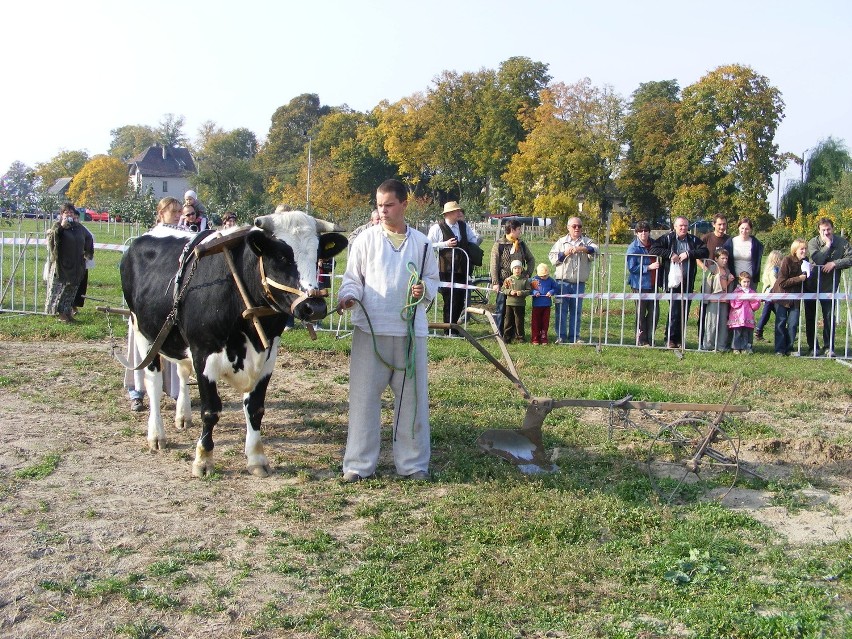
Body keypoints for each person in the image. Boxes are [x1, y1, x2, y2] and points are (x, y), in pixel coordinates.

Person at [336, 179, 439, 482]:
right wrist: (348, 295)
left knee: (412, 402)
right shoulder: (365, 240)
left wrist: (425, 289)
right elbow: (352, 278)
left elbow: (433, 279)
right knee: (364, 400)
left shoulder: (422, 244)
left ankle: (413, 465)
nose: (382, 210)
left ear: (404, 205)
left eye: (389, 204)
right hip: (370, 331)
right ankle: (357, 465)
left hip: (410, 334)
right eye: (379, 205)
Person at [125, 197, 186, 410]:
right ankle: (137, 392)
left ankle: (174, 391)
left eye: (180, 211)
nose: (178, 215)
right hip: (146, 302)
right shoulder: (148, 240)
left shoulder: (186, 237)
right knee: (142, 344)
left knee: (175, 345)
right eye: (173, 211)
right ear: (161, 213)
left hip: (173, 301)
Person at [650, 216, 709, 349]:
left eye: (686, 226)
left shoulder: (693, 240)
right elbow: (654, 249)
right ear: (675, 227)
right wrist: (670, 254)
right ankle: (670, 338)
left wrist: (689, 254)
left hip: (687, 281)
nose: (683, 228)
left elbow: (705, 251)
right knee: (674, 310)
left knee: (684, 310)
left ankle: (679, 339)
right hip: (672, 281)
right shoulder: (667, 238)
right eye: (681, 226)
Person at [428, 201, 481, 334]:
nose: (459, 213)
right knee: (448, 299)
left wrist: (467, 246)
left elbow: (473, 240)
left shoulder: (464, 226)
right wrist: (446, 243)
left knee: (459, 298)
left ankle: (454, 328)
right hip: (445, 269)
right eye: (456, 211)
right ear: (449, 213)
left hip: (462, 268)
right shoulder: (437, 228)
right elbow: (429, 245)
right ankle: (447, 329)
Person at [804, 218, 852, 357]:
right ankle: (813, 346)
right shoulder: (813, 242)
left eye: (828, 229)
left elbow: (850, 258)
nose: (826, 232)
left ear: (833, 229)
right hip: (811, 285)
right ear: (819, 230)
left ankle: (828, 347)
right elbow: (818, 259)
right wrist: (827, 245)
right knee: (811, 316)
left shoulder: (842, 243)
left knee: (829, 317)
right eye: (823, 230)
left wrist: (835, 263)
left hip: (829, 287)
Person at [548, 217, 598, 344]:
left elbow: (595, 250)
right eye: (574, 226)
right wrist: (564, 253)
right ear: (568, 227)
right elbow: (553, 258)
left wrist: (582, 249)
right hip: (562, 282)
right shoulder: (561, 242)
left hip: (578, 283)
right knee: (561, 310)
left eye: (579, 226)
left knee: (576, 310)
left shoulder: (586, 241)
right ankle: (561, 336)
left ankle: (575, 336)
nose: (577, 228)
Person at [45, 202, 91, 323]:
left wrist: (87, 254)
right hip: (62, 265)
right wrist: (62, 227)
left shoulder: (79, 227)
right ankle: (60, 314)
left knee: (71, 291)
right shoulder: (57, 226)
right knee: (60, 289)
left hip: (76, 265)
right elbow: (52, 239)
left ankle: (67, 313)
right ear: (61, 214)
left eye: (71, 212)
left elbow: (88, 237)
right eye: (66, 212)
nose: (69, 214)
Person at [490, 219, 535, 336]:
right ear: (512, 230)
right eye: (519, 229)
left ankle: (515, 334)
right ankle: (498, 333)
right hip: (504, 282)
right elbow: (494, 264)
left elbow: (531, 259)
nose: (520, 232)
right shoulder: (499, 245)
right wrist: (495, 282)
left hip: (519, 283)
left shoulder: (521, 245)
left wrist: (527, 273)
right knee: (501, 309)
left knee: (516, 310)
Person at [626, 220, 661, 346]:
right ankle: (641, 340)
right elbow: (632, 268)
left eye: (645, 231)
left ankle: (650, 338)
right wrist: (648, 267)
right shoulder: (633, 248)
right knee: (641, 313)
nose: (643, 233)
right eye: (640, 231)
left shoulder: (654, 244)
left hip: (653, 283)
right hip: (639, 284)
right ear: (636, 233)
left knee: (655, 312)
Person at [772, 240, 809, 356]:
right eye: (801, 249)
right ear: (795, 250)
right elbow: (782, 282)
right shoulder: (787, 260)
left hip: (796, 298)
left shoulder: (806, 262)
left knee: (793, 324)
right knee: (781, 323)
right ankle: (779, 349)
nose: (804, 251)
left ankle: (789, 348)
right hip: (782, 296)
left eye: (805, 248)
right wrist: (799, 278)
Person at [700, 248, 736, 352]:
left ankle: (721, 345)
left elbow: (724, 287)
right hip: (713, 301)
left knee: (723, 324)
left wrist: (729, 281)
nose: (725, 260)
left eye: (726, 258)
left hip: (724, 301)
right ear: (716, 258)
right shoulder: (712, 269)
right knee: (712, 323)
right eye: (722, 258)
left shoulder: (727, 271)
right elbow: (707, 284)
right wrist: (706, 299)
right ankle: (708, 345)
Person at [721, 217, 764, 286]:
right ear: (738, 228)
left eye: (747, 229)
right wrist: (728, 273)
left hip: (750, 280)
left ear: (750, 229)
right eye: (742, 228)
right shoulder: (730, 242)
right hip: (733, 279)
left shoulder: (756, 244)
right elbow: (724, 260)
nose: (744, 231)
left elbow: (757, 261)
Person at [728, 271, 761, 354]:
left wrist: (751, 300)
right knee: (737, 333)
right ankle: (736, 348)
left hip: (748, 316)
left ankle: (745, 347)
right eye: (744, 282)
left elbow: (756, 306)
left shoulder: (752, 293)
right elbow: (733, 304)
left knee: (746, 333)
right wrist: (740, 299)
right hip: (737, 317)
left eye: (748, 282)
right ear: (740, 282)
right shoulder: (736, 292)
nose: (746, 284)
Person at [755, 250, 784, 342]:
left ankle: (759, 331)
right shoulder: (774, 269)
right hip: (771, 294)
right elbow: (774, 282)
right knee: (770, 314)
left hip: (768, 294)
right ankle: (758, 331)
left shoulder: (769, 268)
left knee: (768, 313)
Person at [501, 260, 531, 343]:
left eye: (518, 268)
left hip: (520, 304)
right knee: (508, 321)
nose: (517, 270)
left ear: (521, 269)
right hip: (509, 304)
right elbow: (503, 289)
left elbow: (529, 291)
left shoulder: (525, 280)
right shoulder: (508, 279)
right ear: (512, 269)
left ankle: (520, 337)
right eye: (515, 268)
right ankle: (507, 338)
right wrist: (510, 292)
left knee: (519, 321)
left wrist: (521, 293)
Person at [72, 209, 96, 316]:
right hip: (69, 264)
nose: (75, 219)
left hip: (82, 264)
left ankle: (75, 306)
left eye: (76, 217)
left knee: (80, 287)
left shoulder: (84, 230)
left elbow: (90, 240)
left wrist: (86, 256)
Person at [531, 263, 558, 345]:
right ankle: (535, 337)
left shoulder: (550, 280)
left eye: (545, 275)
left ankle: (544, 337)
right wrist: (535, 292)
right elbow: (530, 289)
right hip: (536, 305)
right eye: (542, 276)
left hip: (546, 306)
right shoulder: (534, 280)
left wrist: (551, 292)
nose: (544, 277)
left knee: (545, 323)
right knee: (536, 322)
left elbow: (556, 287)